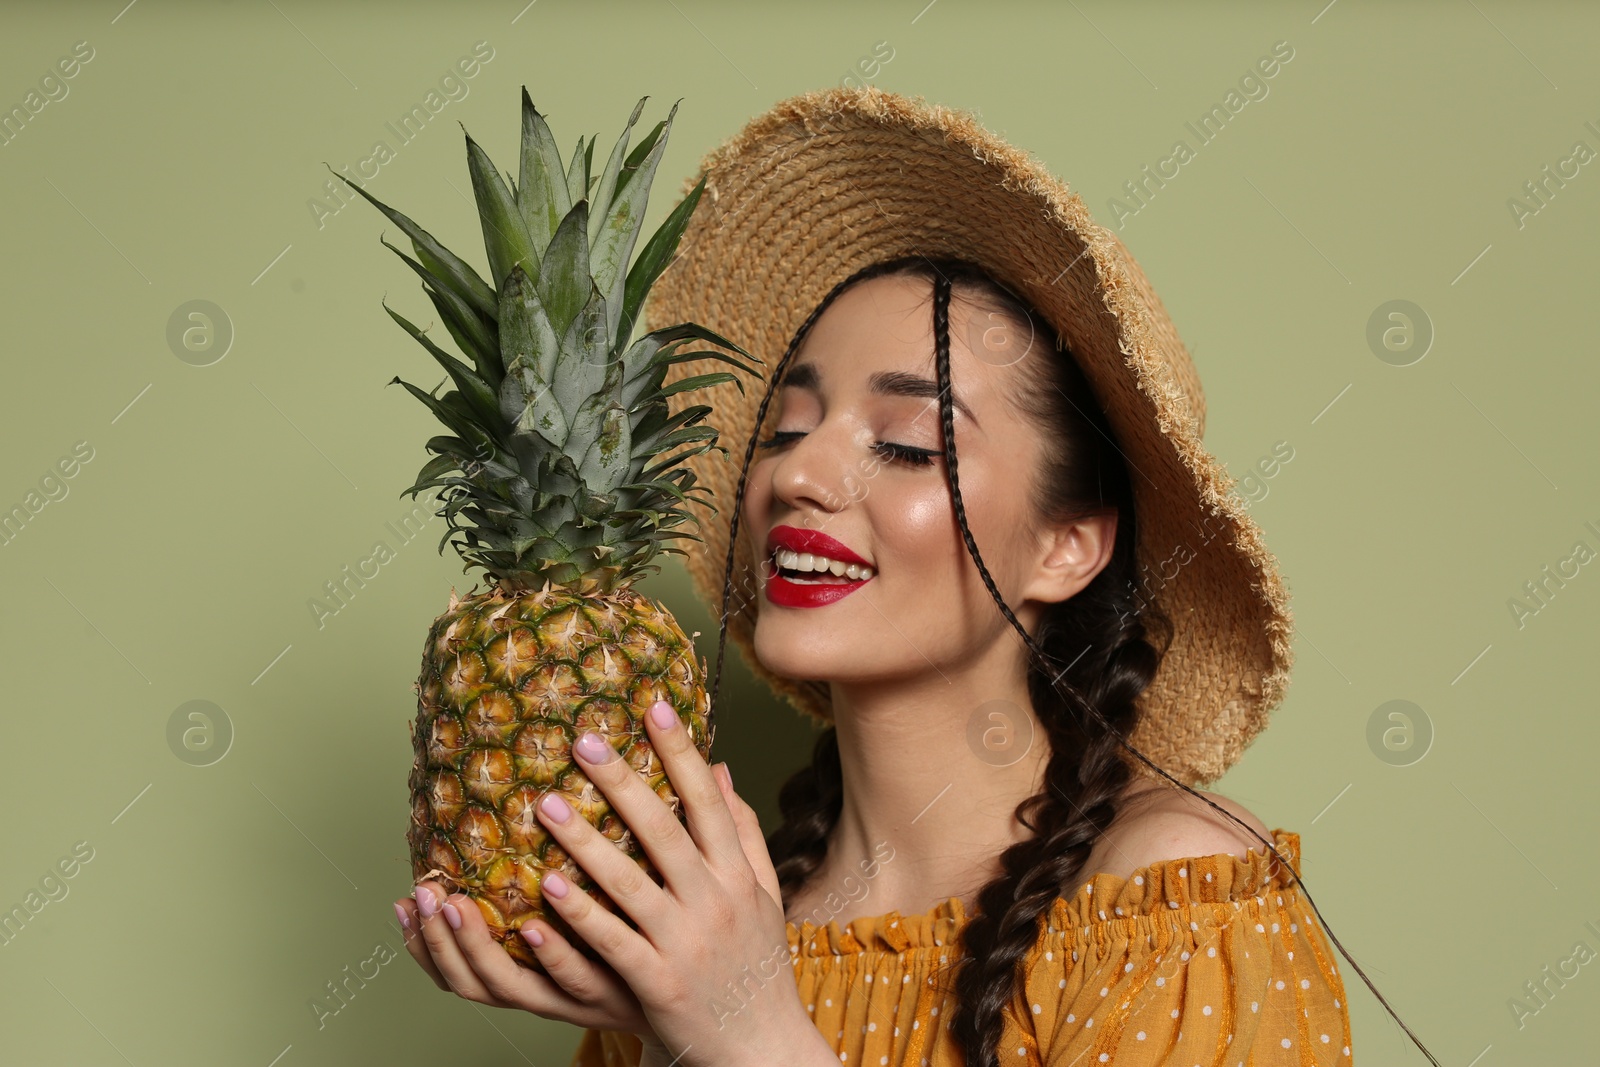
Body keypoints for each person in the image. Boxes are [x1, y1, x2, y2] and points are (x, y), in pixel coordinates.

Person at [398, 85, 1440, 1067]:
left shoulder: (1173, 895)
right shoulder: (701, 935)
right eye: (785, 427)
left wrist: (751, 1034)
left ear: (1066, 543)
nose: (797, 473)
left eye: (904, 442)